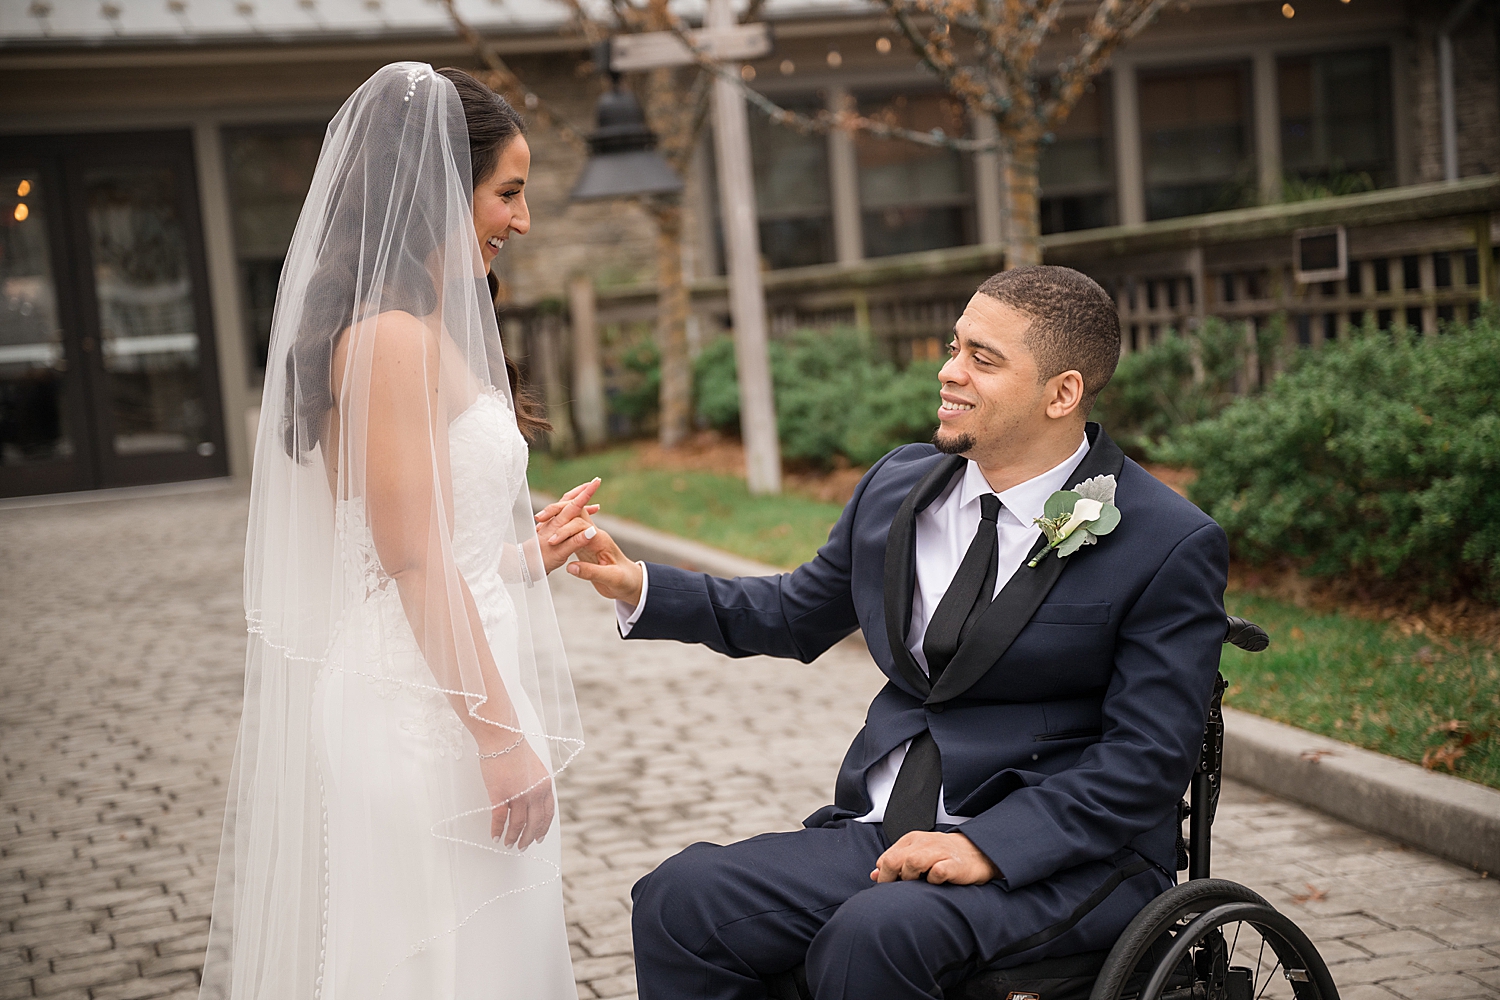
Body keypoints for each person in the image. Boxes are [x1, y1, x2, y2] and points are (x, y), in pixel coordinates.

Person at [565, 265, 1230, 1000]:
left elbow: (1147, 758)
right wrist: (642, 586)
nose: (948, 371)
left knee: (877, 933)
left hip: (1067, 859)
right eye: (953, 347)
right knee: (682, 898)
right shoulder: (898, 486)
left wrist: (989, 844)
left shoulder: (1166, 540)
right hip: (889, 832)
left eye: (983, 358)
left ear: (1062, 393)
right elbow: (796, 610)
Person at [200, 64, 601, 1000]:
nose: (523, 218)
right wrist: (498, 739)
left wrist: (516, 559)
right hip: (421, 712)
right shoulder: (390, 339)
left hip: (451, 680)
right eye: (508, 192)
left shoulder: (431, 328)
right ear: (435, 194)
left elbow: (425, 547)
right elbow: (411, 561)